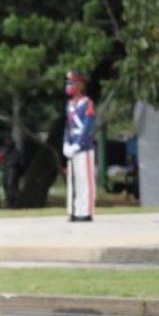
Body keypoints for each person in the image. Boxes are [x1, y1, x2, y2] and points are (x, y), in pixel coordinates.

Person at [63, 71, 96, 222]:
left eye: (72, 82)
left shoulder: (87, 103)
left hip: (84, 147)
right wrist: (66, 143)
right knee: (73, 180)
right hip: (72, 147)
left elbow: (87, 127)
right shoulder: (69, 105)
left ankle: (85, 211)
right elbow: (68, 127)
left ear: (80, 85)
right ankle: (73, 210)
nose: (69, 85)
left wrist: (78, 144)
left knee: (85, 180)